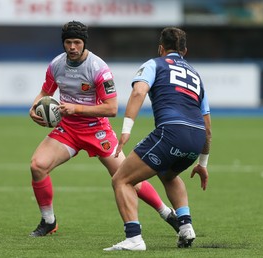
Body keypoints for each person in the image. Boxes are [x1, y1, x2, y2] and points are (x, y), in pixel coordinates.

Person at [28, 21, 180, 237]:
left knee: (128, 178)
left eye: (77, 42)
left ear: (84, 43)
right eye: (68, 42)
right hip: (68, 130)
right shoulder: (56, 65)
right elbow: (45, 92)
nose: (72, 47)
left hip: (96, 130)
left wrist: (76, 108)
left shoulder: (98, 68)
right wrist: (33, 107)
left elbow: (111, 108)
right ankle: (48, 221)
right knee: (37, 166)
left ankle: (167, 213)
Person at [104, 27, 212, 251]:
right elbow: (208, 127)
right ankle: (185, 226)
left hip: (172, 132)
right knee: (168, 174)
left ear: (161, 48)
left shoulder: (155, 63)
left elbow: (138, 92)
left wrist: (126, 130)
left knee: (121, 179)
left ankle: (134, 239)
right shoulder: (196, 76)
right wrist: (202, 164)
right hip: (197, 137)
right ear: (185, 51)